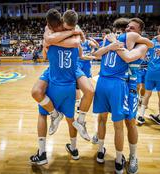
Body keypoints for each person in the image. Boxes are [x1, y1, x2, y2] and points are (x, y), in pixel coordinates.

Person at [92, 17, 153, 174]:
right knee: (105, 118)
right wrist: (113, 43)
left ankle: (133, 156)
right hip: (117, 83)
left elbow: (129, 57)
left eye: (132, 28)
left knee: (129, 122)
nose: (128, 30)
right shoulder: (122, 40)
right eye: (127, 27)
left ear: (139, 32)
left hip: (130, 86)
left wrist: (114, 43)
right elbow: (100, 54)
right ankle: (104, 147)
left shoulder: (142, 46)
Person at [30, 9, 82, 165]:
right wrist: (72, 31)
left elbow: (44, 55)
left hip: (55, 80)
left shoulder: (49, 39)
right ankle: (73, 149)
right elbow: (76, 45)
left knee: (41, 114)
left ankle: (42, 153)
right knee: (71, 118)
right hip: (68, 82)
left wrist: (50, 41)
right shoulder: (74, 35)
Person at [32, 10, 94, 141]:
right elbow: (46, 47)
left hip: (73, 67)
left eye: (67, 28)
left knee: (89, 91)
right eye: (63, 28)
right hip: (54, 67)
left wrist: (51, 43)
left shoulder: (74, 28)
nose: (61, 29)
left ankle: (81, 121)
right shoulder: (50, 29)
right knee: (36, 92)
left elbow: (76, 43)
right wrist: (69, 34)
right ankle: (54, 114)